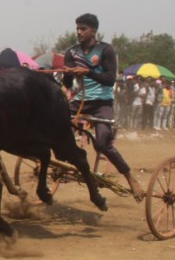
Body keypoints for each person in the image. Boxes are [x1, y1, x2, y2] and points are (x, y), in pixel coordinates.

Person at [62, 13, 145, 201]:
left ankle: (130, 177)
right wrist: (68, 74)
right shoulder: (71, 53)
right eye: (77, 28)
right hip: (78, 101)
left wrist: (88, 72)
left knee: (102, 143)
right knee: (57, 128)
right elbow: (67, 84)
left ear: (94, 31)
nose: (79, 32)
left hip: (102, 103)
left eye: (83, 29)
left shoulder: (105, 50)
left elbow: (109, 80)